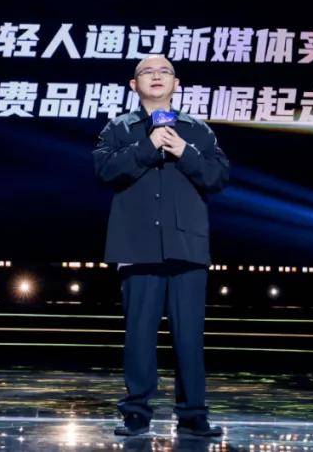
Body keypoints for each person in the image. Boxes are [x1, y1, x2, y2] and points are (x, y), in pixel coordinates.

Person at [92, 54, 230, 437]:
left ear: (176, 83)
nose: (156, 76)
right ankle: (136, 413)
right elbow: (104, 170)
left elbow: (218, 176)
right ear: (133, 84)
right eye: (147, 72)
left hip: (187, 246)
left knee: (189, 336)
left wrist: (185, 151)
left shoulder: (197, 130)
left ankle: (193, 414)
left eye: (164, 71)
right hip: (137, 246)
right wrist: (147, 146)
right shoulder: (119, 128)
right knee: (139, 334)